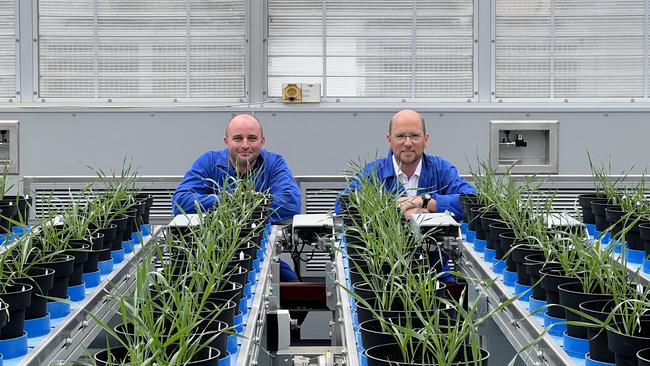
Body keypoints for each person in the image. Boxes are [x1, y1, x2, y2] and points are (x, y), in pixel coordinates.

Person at [337, 109, 476, 279]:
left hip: (436, 271)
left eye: (414, 136)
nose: (408, 143)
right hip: (383, 274)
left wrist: (425, 202)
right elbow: (342, 205)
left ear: (426, 139)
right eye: (401, 136)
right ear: (389, 139)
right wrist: (396, 211)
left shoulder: (441, 170)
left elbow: (472, 201)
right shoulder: (373, 172)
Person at [172, 113, 301, 281]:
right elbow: (181, 202)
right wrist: (230, 201)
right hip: (211, 256)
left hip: (260, 253)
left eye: (252, 138)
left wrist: (251, 204)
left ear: (262, 141)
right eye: (238, 138)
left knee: (294, 292)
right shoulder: (209, 162)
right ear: (227, 141)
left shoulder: (274, 163)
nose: (245, 145)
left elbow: (291, 202)